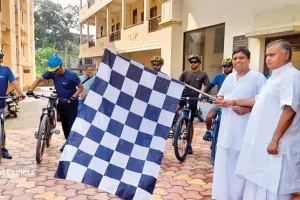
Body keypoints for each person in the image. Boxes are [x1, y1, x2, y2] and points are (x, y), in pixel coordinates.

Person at [233, 40, 300, 199]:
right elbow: (258, 99)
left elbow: (289, 110)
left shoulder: (291, 76)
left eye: (272, 55)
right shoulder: (273, 77)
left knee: (274, 186)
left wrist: (275, 140)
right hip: (261, 142)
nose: (268, 59)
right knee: (258, 181)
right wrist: (235, 102)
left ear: (286, 55)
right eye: (266, 55)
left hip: (277, 145)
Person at [212, 46, 266, 200]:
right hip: (227, 129)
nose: (237, 61)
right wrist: (220, 100)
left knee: (242, 164)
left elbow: (263, 101)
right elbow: (220, 96)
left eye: (241, 58)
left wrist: (247, 109)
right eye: (235, 58)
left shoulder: (257, 77)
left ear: (249, 59)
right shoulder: (229, 78)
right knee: (225, 164)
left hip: (245, 129)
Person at [27, 54, 83, 152]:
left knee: (71, 125)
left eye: (56, 70)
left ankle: (72, 145)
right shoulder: (53, 73)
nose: (54, 73)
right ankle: (68, 142)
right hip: (61, 102)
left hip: (71, 103)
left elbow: (81, 87)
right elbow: (39, 79)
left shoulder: (71, 75)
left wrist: (73, 96)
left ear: (61, 66)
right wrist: (31, 89)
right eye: (52, 71)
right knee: (65, 125)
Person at [178, 54, 210, 154]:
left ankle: (189, 145)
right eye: (191, 62)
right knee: (175, 110)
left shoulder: (203, 74)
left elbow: (207, 86)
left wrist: (204, 96)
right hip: (183, 97)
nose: (193, 64)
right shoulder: (185, 73)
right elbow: (178, 84)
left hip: (193, 99)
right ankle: (176, 128)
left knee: (190, 123)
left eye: (195, 62)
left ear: (199, 63)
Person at [0, 49, 25, 159]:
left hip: (1, 103)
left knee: (1, 126)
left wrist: (20, 93)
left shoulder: (6, 70)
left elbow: (14, 82)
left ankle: (3, 149)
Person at [202, 58, 233, 141]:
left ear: (232, 67)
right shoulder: (218, 76)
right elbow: (209, 86)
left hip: (231, 103)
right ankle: (209, 131)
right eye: (224, 66)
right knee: (209, 117)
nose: (226, 68)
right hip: (219, 102)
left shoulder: (235, 77)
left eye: (228, 66)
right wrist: (204, 95)